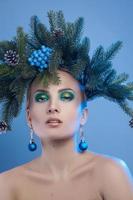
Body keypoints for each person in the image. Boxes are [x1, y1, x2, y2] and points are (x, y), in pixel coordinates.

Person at [0, 10, 133, 200]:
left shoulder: (111, 173)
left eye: (66, 96)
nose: (53, 107)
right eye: (41, 98)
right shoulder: (6, 184)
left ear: (84, 115)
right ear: (29, 117)